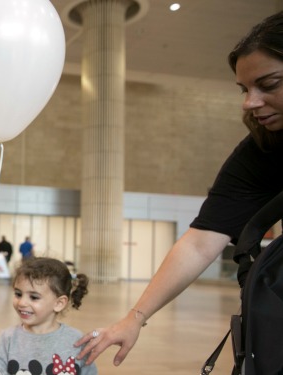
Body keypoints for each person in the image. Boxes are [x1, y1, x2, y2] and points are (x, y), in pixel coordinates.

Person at [75, 10, 283, 370]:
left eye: (270, 84)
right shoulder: (261, 150)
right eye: (245, 89)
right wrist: (135, 317)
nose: (250, 102)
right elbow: (201, 241)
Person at [0, 257, 96, 375]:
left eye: (33, 297)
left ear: (59, 303)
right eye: (18, 294)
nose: (22, 303)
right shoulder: (7, 339)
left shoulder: (77, 341)